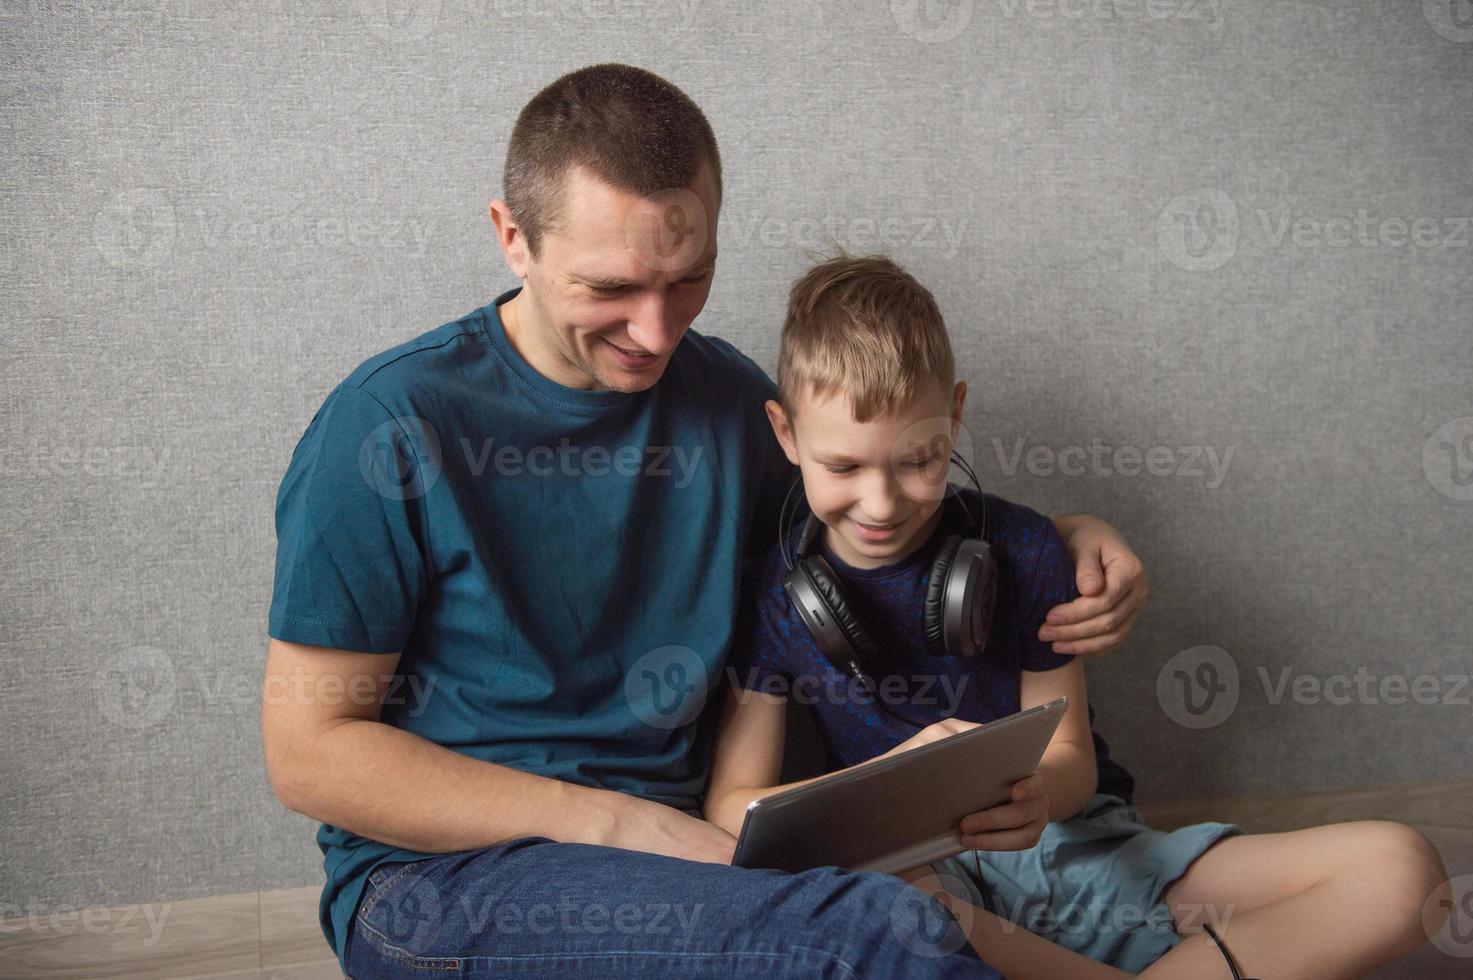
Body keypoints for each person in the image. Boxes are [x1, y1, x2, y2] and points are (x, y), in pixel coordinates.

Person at [261, 64, 1151, 978]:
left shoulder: (733, 405)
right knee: (881, 938)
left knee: (908, 918)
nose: (654, 331)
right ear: (512, 238)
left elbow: (866, 515)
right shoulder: (385, 428)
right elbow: (309, 754)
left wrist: (1066, 529)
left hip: (685, 861)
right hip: (438, 885)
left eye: (690, 279)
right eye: (611, 287)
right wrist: (615, 821)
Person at [703, 253, 1452, 980]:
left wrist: (1036, 795)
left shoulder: (1025, 549)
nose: (881, 502)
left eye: (916, 460)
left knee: (1400, 871)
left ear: (955, 418)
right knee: (884, 913)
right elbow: (733, 807)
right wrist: (884, 782)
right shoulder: (774, 596)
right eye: (843, 467)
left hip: (1074, 853)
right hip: (922, 881)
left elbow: (1070, 758)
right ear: (786, 433)